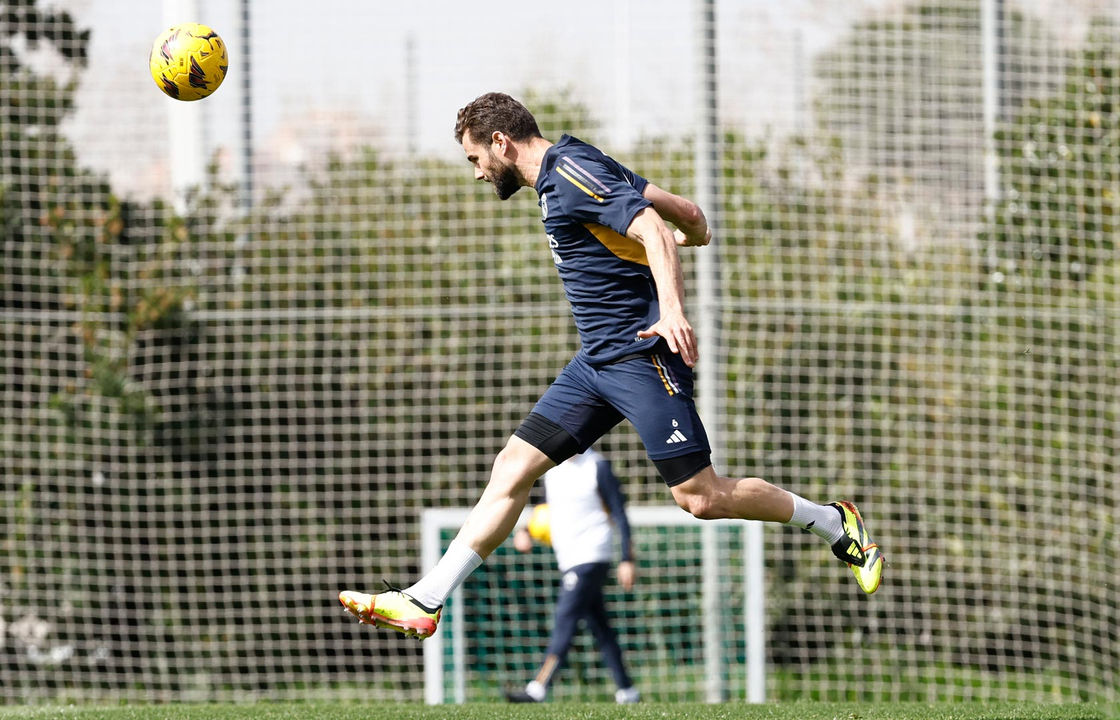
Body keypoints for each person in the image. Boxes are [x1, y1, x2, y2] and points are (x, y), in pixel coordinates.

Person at [339, 91, 883, 642]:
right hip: (595, 361)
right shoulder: (577, 161)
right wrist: (692, 231)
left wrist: (671, 309)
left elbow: (648, 226)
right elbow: (688, 214)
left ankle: (832, 522)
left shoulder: (570, 174)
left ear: (500, 142)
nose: (478, 173)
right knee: (513, 466)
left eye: (475, 158)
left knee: (700, 498)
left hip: (642, 356)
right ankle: (425, 599)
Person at [504, 448, 640, 705]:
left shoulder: (597, 466)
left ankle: (538, 688)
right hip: (568, 559)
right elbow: (544, 510)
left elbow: (620, 514)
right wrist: (526, 531)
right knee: (600, 627)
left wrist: (627, 559)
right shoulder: (552, 471)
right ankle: (627, 691)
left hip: (592, 555)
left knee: (565, 619)